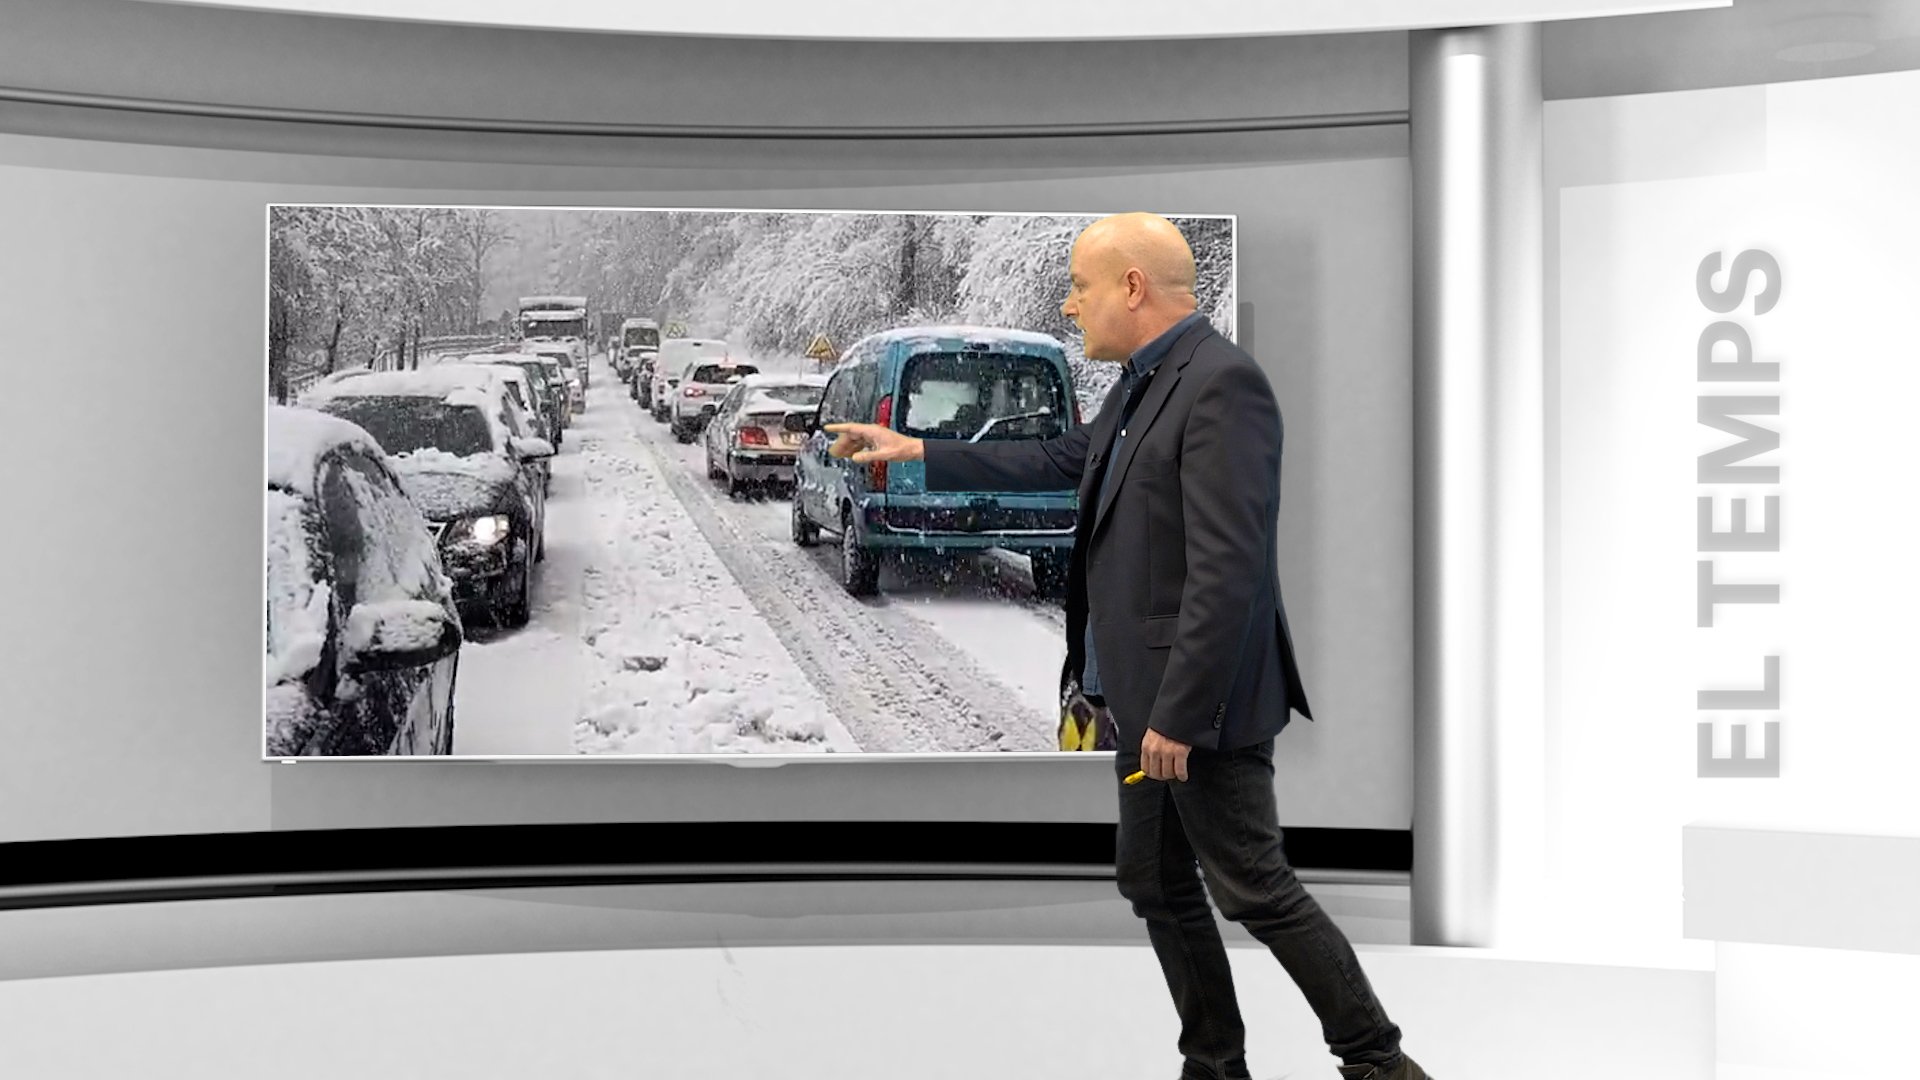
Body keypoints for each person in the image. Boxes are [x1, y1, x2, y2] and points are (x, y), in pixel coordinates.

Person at [825, 213, 1430, 1080]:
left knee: (1255, 887)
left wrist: (1181, 716)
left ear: (1133, 288)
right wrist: (917, 444)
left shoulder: (1222, 385)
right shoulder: (1145, 381)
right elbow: (1066, 458)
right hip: (1141, 700)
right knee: (1152, 879)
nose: (1072, 304)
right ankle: (1214, 1063)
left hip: (1195, 708)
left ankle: (1380, 1064)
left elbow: (1230, 572)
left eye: (1081, 286)